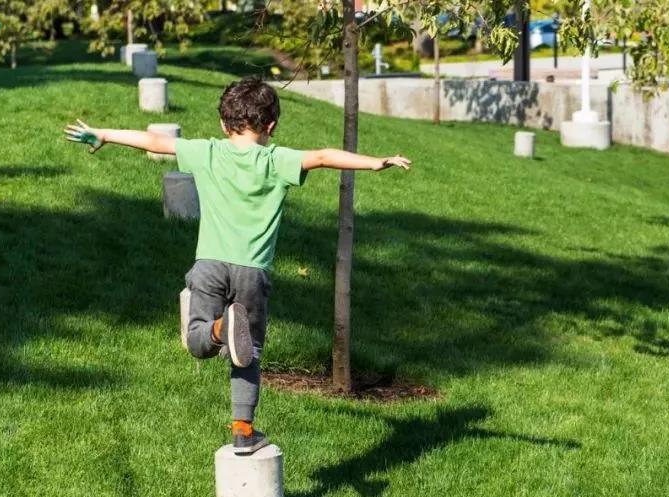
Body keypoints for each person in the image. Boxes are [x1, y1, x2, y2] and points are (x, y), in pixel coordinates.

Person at [65, 77, 411, 454]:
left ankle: (218, 329)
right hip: (252, 272)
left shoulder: (207, 152)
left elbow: (154, 142)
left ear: (222, 123)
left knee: (197, 341)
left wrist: (104, 134)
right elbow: (326, 156)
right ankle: (243, 431)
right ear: (272, 126)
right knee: (248, 352)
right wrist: (376, 163)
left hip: (209, 265)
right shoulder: (276, 160)